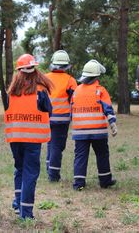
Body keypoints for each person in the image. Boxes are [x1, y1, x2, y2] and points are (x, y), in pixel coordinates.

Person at [5, 54, 53, 219]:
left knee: (20, 170)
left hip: (15, 138)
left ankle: (18, 203)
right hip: (32, 140)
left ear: (19, 71)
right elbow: (49, 110)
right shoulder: (41, 90)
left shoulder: (12, 91)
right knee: (30, 174)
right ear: (35, 70)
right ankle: (26, 213)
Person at [71, 59, 117, 190]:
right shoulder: (100, 90)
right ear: (97, 76)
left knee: (80, 157)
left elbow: (71, 109)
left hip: (80, 132)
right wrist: (112, 123)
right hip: (98, 131)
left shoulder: (76, 91)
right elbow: (108, 108)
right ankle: (105, 181)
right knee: (102, 155)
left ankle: (78, 184)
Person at [45, 50, 77, 182]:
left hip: (46, 119)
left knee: (50, 144)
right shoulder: (70, 80)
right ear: (66, 65)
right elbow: (75, 100)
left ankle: (49, 168)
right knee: (57, 146)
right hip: (62, 120)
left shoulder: (44, 78)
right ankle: (53, 174)